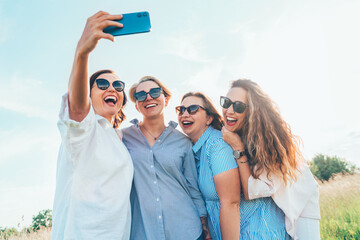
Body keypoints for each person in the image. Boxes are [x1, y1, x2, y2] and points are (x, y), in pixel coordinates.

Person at [51, 11, 133, 240]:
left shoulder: (118, 138)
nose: (112, 88)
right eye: (102, 84)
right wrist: (82, 53)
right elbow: (77, 109)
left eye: (118, 85)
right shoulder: (85, 130)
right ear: (89, 93)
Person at [221, 79, 320, 240]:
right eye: (226, 102)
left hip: (303, 205)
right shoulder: (240, 132)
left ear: (252, 111)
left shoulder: (268, 141)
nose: (229, 111)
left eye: (238, 106)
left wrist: (238, 148)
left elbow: (252, 190)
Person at [121, 77, 209, 240]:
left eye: (154, 92)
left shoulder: (183, 142)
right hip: (142, 232)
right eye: (141, 95)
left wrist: (204, 223)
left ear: (166, 99)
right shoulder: (123, 138)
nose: (148, 98)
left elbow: (192, 186)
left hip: (186, 230)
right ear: (137, 105)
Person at [176, 92, 241, 240]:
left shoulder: (217, 145)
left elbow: (231, 202)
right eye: (181, 109)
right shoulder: (191, 150)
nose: (185, 114)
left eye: (193, 109)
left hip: (248, 232)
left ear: (209, 118)